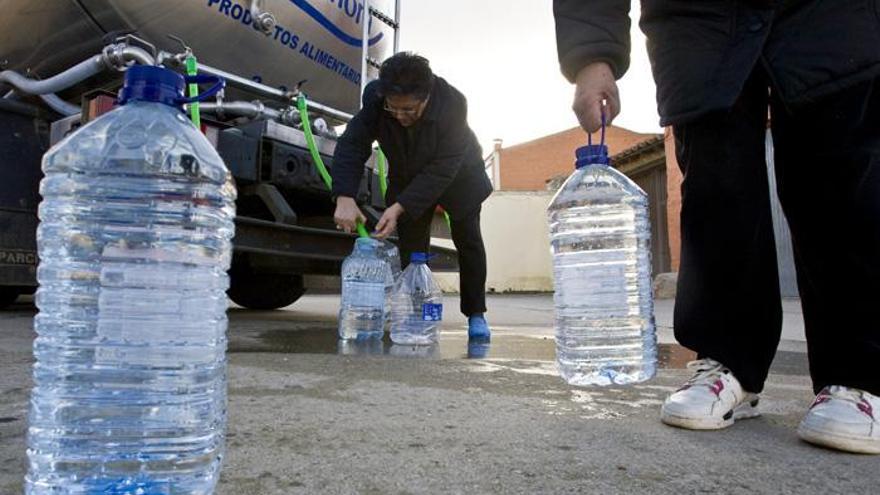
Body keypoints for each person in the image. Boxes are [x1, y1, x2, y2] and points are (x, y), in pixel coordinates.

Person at [554, 0, 880, 454]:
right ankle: (727, 362)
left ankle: (861, 374)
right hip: (695, 23)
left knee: (842, 183)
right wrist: (591, 55)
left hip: (830, 14)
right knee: (716, 189)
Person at [331, 52, 494, 341]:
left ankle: (476, 314)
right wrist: (345, 195)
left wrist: (400, 205)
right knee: (412, 248)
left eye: (409, 110)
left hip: (458, 175)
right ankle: (416, 313)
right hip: (407, 174)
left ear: (427, 96)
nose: (401, 116)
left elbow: (443, 167)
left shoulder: (453, 104)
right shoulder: (376, 99)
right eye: (394, 109)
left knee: (468, 240)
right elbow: (353, 143)